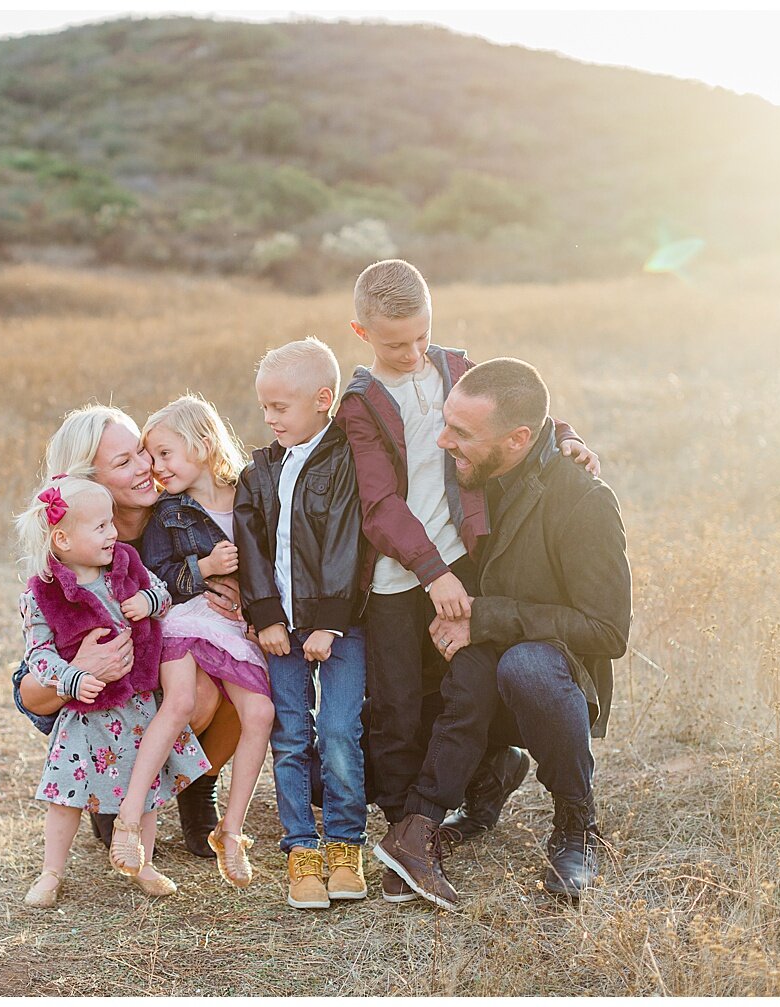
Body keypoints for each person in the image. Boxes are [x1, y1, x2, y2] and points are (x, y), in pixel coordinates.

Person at [335, 258, 600, 903]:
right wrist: (430, 573)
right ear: (361, 332)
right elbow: (380, 507)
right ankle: (406, 833)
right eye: (396, 343)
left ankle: (478, 783)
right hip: (404, 577)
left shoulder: (455, 368)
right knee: (400, 706)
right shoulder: (363, 403)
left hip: (471, 562)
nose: (413, 351)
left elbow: (514, 413)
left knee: (467, 685)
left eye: (422, 335)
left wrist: (565, 437)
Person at [373, 358, 631, 909]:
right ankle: (451, 803)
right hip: (479, 664)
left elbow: (607, 630)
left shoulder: (583, 500)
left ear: (517, 440)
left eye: (461, 433)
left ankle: (577, 826)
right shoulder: (475, 471)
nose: (443, 441)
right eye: (447, 424)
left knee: (524, 663)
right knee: (435, 678)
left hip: (555, 677)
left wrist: (484, 617)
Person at [11, 405, 242, 857]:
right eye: (123, 463)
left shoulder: (180, 517)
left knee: (227, 679)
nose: (145, 468)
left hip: (171, 663)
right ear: (87, 483)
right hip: (106, 695)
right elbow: (31, 694)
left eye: (141, 451)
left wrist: (236, 599)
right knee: (43, 689)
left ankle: (199, 788)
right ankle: (111, 790)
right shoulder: (74, 556)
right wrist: (79, 667)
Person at [15, 475, 210, 908]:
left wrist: (150, 603)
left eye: (111, 523)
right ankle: (51, 871)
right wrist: (72, 678)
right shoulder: (42, 594)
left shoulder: (126, 565)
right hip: (86, 713)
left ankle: (142, 863)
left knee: (149, 790)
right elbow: (38, 656)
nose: (113, 533)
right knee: (65, 794)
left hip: (139, 703)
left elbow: (161, 591)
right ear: (62, 538)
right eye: (100, 526)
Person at [235, 337, 369, 910]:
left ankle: (345, 842)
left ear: (322, 400)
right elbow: (251, 544)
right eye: (264, 407)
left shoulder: (347, 463)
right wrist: (264, 613)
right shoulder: (259, 471)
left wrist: (328, 623)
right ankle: (301, 848)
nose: (269, 419)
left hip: (338, 628)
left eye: (280, 408)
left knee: (339, 729)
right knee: (290, 735)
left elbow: (348, 542)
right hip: (278, 631)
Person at [126, 393, 275, 888]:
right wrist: (203, 569)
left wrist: (258, 609)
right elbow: (154, 575)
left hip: (233, 627)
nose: (157, 468)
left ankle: (230, 832)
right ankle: (127, 813)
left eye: (165, 454)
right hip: (185, 619)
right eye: (152, 457)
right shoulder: (168, 512)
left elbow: (275, 561)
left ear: (205, 443)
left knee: (260, 713)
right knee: (184, 702)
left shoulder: (252, 493)